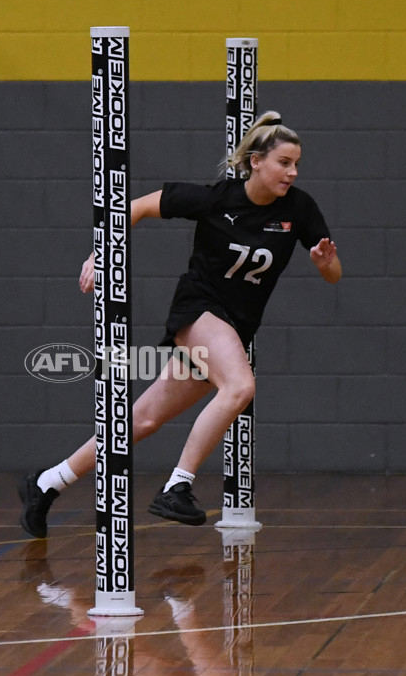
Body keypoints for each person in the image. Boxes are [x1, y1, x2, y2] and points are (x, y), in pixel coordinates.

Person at [19, 110, 342, 538]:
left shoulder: (300, 208)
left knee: (145, 419)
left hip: (235, 326)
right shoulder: (216, 200)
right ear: (256, 161)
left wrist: (325, 263)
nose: (292, 172)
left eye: (297, 164)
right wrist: (100, 255)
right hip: (200, 311)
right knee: (241, 388)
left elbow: (335, 273)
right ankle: (178, 486)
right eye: (284, 162)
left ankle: (48, 482)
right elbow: (132, 208)